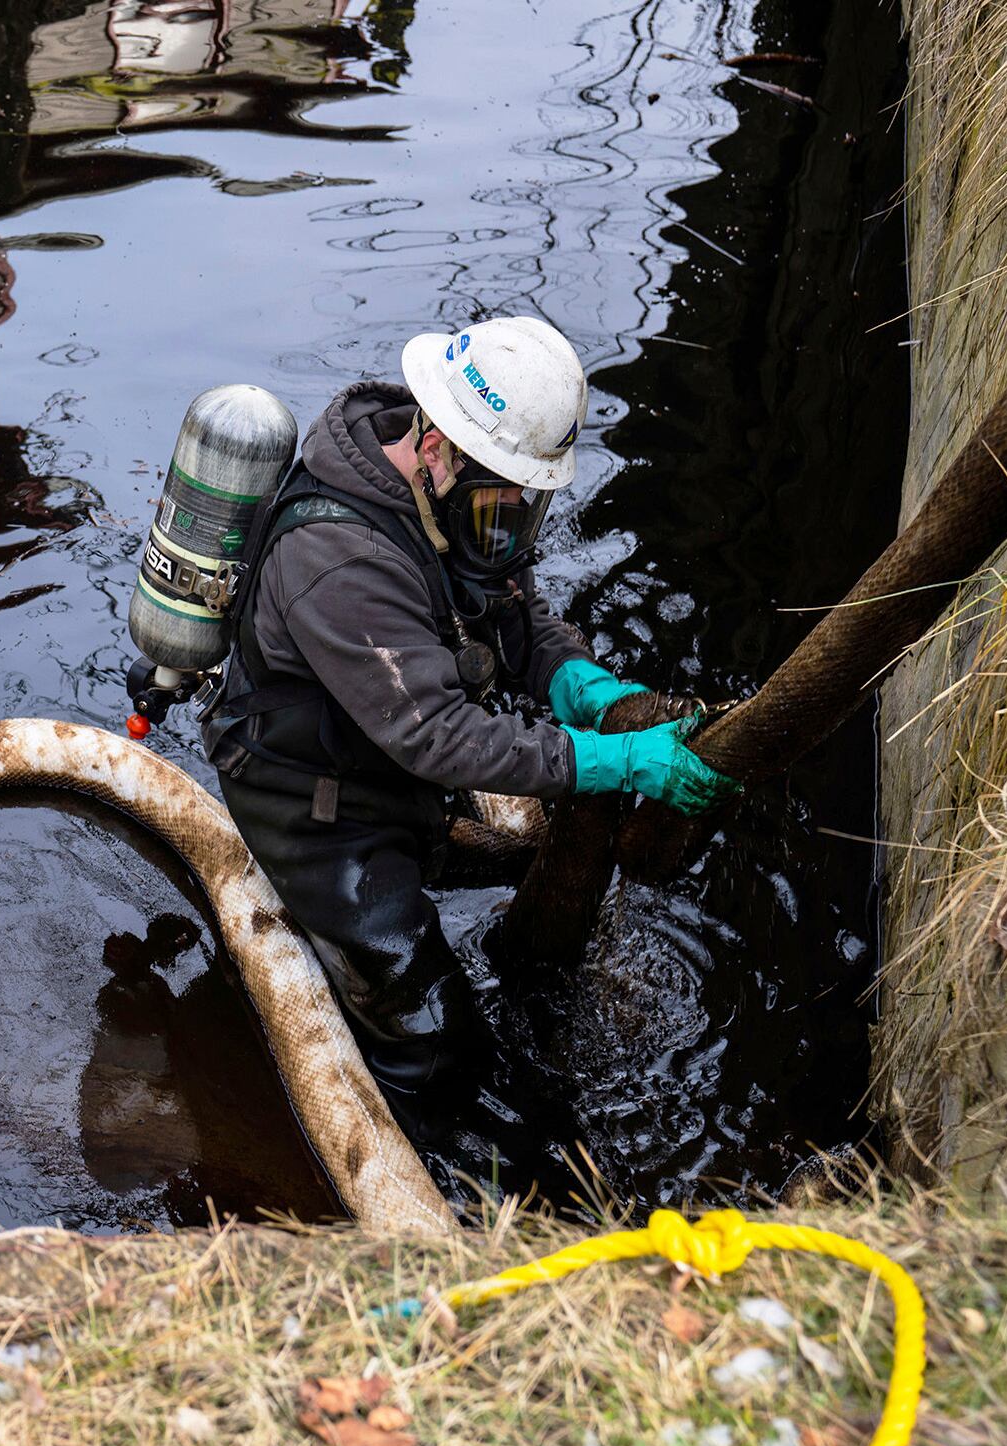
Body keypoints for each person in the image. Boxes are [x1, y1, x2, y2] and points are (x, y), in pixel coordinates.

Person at [199, 316, 734, 1169]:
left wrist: (578, 681)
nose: (512, 534)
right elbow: (441, 737)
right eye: (501, 511)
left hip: (383, 766)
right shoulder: (338, 561)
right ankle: (426, 1186)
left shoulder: (451, 504)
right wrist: (604, 761)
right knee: (435, 1045)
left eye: (525, 510)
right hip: (311, 804)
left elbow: (511, 611)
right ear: (437, 449)